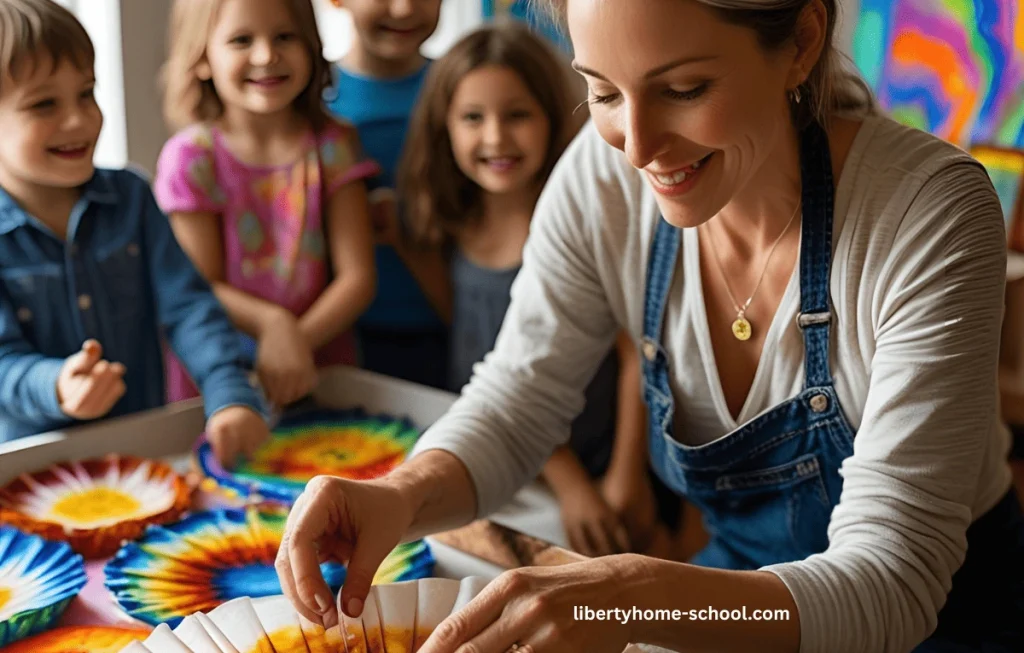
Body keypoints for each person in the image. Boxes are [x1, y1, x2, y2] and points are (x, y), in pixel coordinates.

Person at [275, 0, 1024, 651]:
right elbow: (517, 400)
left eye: (684, 89)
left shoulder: (928, 214)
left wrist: (637, 595)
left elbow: (892, 583)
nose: (636, 146)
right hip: (736, 595)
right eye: (601, 92)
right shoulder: (604, 179)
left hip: (942, 623)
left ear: (800, 44)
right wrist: (399, 496)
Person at [398, 22, 680, 557]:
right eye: (472, 118)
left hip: (597, 464)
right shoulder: (456, 228)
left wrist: (626, 475)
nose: (496, 137)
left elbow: (633, 357)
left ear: (553, 117)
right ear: (444, 128)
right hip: (505, 464)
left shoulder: (571, 229)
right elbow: (470, 332)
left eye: (517, 115)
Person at [0, 0, 269, 467]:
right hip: (32, 469)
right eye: (45, 103)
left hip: (146, 452)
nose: (79, 120)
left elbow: (189, 307)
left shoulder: (132, 197)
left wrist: (229, 392)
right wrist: (57, 385)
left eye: (86, 93)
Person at [155, 0, 378, 409]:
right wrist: (272, 324)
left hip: (322, 368)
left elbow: (358, 278)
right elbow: (201, 285)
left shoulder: (334, 145)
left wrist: (293, 343)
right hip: (221, 383)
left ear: (311, 44)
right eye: (242, 39)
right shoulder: (191, 158)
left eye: (285, 36)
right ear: (202, 58)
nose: (265, 55)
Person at [323, 0, 451, 389]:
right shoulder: (306, 98)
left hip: (449, 332)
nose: (404, 8)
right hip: (335, 339)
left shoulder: (464, 90)